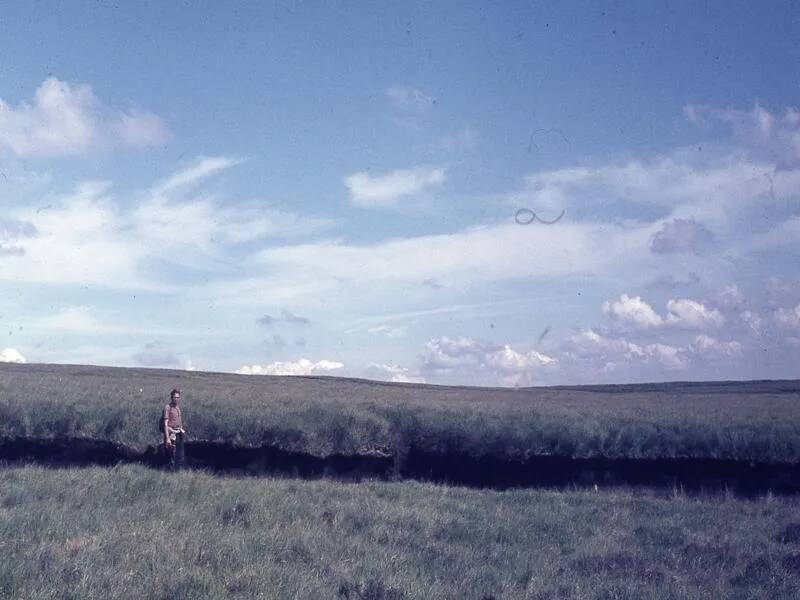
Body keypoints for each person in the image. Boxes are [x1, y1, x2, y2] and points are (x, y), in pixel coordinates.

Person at [163, 388, 186, 470]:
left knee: (179, 453)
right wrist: (168, 438)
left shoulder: (177, 408)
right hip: (171, 433)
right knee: (171, 453)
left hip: (179, 433)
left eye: (177, 397)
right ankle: (168, 472)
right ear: (171, 397)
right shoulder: (167, 407)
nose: (176, 399)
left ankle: (177, 471)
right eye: (174, 397)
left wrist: (181, 430)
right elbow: (165, 424)